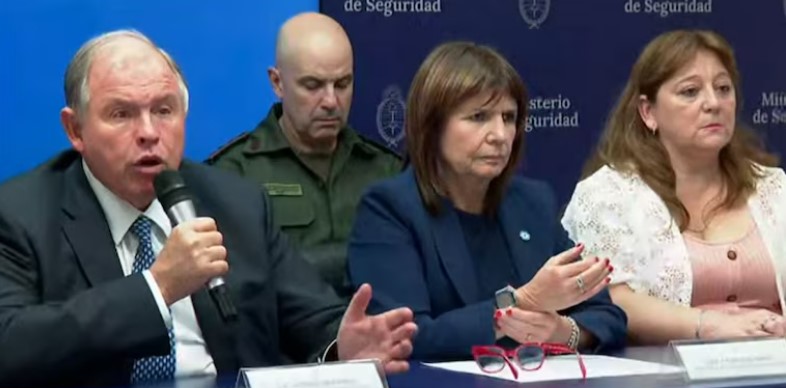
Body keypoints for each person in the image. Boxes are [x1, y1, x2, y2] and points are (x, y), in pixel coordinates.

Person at [0, 29, 416, 388]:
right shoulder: (20, 214)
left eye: (164, 110)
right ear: (75, 130)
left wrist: (344, 348)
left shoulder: (237, 203)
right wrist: (158, 288)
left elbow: (314, 320)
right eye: (121, 114)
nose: (149, 133)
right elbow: (9, 345)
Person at [346, 42, 627, 361]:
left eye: (508, 117)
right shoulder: (390, 209)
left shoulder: (532, 202)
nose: (500, 135)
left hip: (536, 385)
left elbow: (608, 317)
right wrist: (521, 302)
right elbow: (405, 338)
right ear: (432, 126)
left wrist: (563, 333)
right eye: (479, 117)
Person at [561, 30, 786, 345]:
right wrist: (707, 324)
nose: (713, 103)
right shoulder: (607, 196)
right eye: (690, 92)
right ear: (648, 112)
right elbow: (610, 300)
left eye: (723, 88)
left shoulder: (773, 188)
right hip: (664, 369)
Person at [207, 13, 402, 298]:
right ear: (277, 83)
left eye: (342, 84)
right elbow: (237, 288)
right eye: (313, 86)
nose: (331, 101)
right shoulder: (234, 175)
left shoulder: (386, 170)